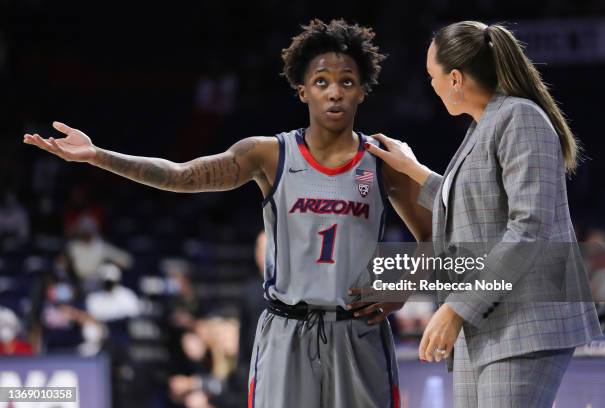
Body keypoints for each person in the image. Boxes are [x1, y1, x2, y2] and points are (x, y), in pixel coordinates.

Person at [24, 19, 432, 408]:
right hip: (286, 330)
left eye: (347, 82)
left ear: (362, 91)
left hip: (357, 333)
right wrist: (98, 156)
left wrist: (401, 287)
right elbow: (180, 176)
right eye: (321, 81)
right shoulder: (267, 154)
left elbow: (438, 237)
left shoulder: (384, 159)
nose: (335, 92)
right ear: (302, 90)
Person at [365, 21, 602, 407]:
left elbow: (529, 229)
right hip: (488, 323)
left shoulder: (520, 118)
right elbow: (474, 204)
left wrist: (457, 308)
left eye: (432, 76)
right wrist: (412, 169)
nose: (432, 86)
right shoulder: (485, 124)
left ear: (455, 78)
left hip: (524, 323)